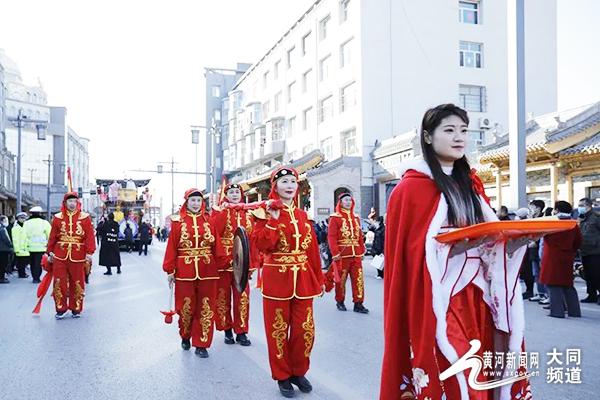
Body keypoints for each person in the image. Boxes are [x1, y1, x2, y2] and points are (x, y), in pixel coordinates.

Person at [380, 104, 531, 399]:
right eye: (449, 130)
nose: (459, 137)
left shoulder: (470, 185)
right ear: (427, 137)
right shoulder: (409, 189)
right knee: (459, 373)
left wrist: (512, 244)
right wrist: (453, 248)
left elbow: (490, 240)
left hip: (479, 298)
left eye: (464, 130)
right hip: (440, 300)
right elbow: (411, 256)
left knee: (485, 371)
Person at [252, 166, 323, 398]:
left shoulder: (303, 216)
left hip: (302, 278)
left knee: (305, 329)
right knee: (278, 330)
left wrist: (318, 279)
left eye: (293, 182)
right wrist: (272, 222)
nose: (290, 186)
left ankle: (298, 371)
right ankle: (282, 375)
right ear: (275, 186)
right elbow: (261, 246)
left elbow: (312, 250)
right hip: (277, 280)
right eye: (285, 182)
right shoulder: (263, 212)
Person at [162, 189, 219, 358]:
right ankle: (185, 335)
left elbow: (217, 247)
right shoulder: (178, 222)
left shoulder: (209, 221)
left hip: (208, 270)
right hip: (184, 271)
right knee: (185, 308)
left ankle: (202, 343)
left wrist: (225, 264)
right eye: (193, 200)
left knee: (206, 308)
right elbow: (172, 247)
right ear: (187, 202)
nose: (196, 203)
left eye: (199, 201)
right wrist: (170, 270)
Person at [212, 183, 258, 347]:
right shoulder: (220, 212)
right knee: (223, 298)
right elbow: (215, 236)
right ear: (226, 195)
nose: (234, 195)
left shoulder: (249, 213)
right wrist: (222, 259)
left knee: (243, 298)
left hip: (243, 262)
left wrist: (251, 263)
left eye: (237, 192)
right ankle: (227, 330)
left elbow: (252, 240)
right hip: (224, 262)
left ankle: (242, 331)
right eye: (231, 192)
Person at [46, 192, 96, 319]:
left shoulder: (85, 218)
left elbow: (90, 236)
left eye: (74, 201)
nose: (72, 204)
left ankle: (76, 308)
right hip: (60, 255)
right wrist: (49, 251)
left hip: (78, 255)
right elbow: (52, 236)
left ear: (77, 203)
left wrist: (89, 252)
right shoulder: (57, 217)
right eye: (70, 201)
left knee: (77, 282)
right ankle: (60, 309)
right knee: (59, 282)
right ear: (65, 203)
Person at [326, 193, 369, 314]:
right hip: (342, 255)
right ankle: (340, 301)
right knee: (341, 280)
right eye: (346, 200)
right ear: (340, 202)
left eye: (350, 200)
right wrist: (335, 253)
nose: (348, 202)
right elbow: (332, 237)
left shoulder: (356, 217)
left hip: (356, 255)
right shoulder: (335, 217)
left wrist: (362, 250)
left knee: (358, 279)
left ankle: (358, 303)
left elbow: (360, 236)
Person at [539, 201, 582, 318]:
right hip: (567, 257)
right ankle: (574, 311)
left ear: (557, 210)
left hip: (552, 257)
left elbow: (543, 236)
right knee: (568, 285)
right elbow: (578, 241)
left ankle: (557, 311)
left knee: (553, 285)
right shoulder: (573, 224)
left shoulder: (553, 222)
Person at [577, 197, 600, 304]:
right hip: (584, 250)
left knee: (596, 274)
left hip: (596, 250)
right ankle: (591, 295)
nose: (579, 208)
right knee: (588, 274)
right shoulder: (581, 217)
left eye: (582, 205)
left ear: (588, 205)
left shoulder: (596, 217)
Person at [24, 206, 52, 284]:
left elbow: (24, 235)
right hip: (41, 247)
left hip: (30, 247)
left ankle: (34, 277)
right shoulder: (44, 222)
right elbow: (50, 235)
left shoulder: (26, 223)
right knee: (39, 263)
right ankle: (37, 277)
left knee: (32, 263)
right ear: (40, 213)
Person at [527, 200, 548, 303]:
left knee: (542, 272)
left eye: (532, 207)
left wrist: (536, 241)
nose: (531, 209)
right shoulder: (532, 218)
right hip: (532, 249)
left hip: (539, 248)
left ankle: (546, 294)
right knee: (536, 273)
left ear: (538, 208)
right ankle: (540, 293)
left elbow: (542, 234)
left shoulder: (543, 219)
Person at [12, 212, 30, 278]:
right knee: (21, 263)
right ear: (18, 218)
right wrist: (16, 249)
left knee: (23, 262)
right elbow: (15, 240)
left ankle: (23, 273)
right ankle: (21, 274)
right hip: (19, 249)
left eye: (24, 218)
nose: (23, 219)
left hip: (25, 248)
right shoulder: (15, 228)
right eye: (22, 218)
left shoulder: (25, 227)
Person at [0, 216, 13, 283]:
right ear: (2, 221)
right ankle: (1, 278)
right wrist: (11, 245)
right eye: (5, 220)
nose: (6, 222)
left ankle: (2, 277)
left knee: (2, 264)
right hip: (3, 249)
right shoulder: (2, 229)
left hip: (2, 249)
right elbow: (6, 239)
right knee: (3, 264)